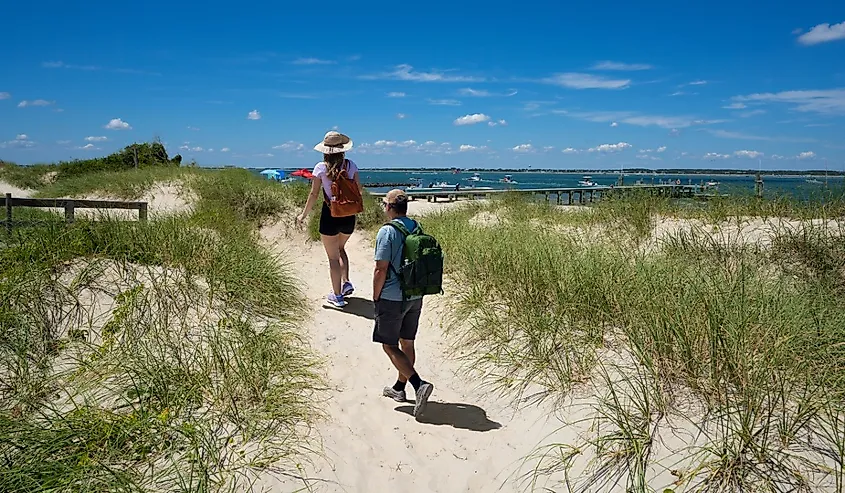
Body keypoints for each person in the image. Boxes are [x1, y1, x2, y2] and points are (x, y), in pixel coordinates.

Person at [372, 189, 434, 418]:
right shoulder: (416, 227)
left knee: (389, 345)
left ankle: (418, 385)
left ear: (390, 207)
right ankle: (399, 388)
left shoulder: (387, 232)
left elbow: (381, 268)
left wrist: (375, 296)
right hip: (415, 294)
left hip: (392, 296)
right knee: (407, 343)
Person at [296, 131, 364, 308]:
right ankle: (346, 281)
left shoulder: (320, 168)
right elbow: (359, 190)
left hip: (330, 214)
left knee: (333, 258)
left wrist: (303, 215)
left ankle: (338, 296)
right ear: (343, 150)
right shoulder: (351, 165)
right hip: (348, 214)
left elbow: (314, 194)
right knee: (341, 248)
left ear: (325, 150)